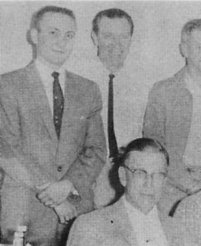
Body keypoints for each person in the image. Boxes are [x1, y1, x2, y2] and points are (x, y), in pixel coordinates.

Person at [0, 6, 106, 245]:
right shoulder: (7, 86)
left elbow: (96, 150)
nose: (62, 42)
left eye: (69, 35)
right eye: (53, 33)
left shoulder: (88, 90)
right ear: (34, 36)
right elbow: (7, 150)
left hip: (77, 210)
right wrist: (56, 199)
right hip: (23, 211)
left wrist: (67, 186)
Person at [143, 19, 201, 216]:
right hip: (173, 188)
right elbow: (154, 148)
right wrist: (188, 184)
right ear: (184, 49)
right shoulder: (163, 91)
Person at [76, 8, 150, 208]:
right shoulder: (77, 81)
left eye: (123, 36)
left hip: (129, 172)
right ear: (95, 37)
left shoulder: (143, 84)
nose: (116, 44)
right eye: (108, 36)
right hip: (88, 174)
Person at [67, 138, 172, 246]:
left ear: (164, 181)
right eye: (140, 173)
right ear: (123, 176)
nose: (149, 183)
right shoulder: (90, 226)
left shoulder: (179, 228)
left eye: (158, 175)